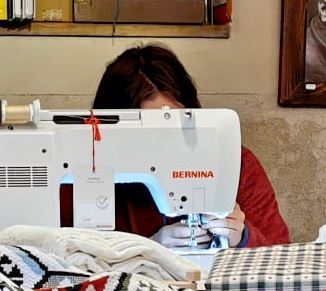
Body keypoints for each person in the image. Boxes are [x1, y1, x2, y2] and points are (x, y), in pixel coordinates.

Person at [64, 44, 291, 248]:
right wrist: (147, 250)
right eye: (153, 132)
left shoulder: (236, 163)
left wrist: (243, 237)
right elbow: (69, 261)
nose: (167, 143)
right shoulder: (82, 173)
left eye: (178, 127)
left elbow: (280, 251)